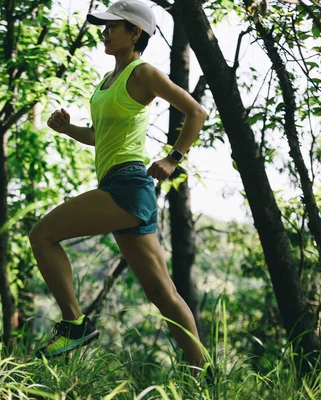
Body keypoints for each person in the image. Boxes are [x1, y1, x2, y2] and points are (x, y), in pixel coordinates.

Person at [29, 0, 208, 369]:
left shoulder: (142, 73)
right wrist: (67, 129)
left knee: (42, 235)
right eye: (104, 25)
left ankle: (74, 324)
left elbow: (196, 112)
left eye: (113, 25)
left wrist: (173, 158)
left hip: (127, 185)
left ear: (135, 33)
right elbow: (99, 136)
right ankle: (205, 374)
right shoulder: (107, 81)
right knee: (162, 293)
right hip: (122, 187)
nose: (105, 31)